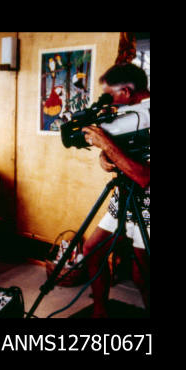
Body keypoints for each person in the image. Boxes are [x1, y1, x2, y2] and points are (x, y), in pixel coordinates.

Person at [81, 63, 150, 318]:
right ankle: (100, 312)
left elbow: (144, 176)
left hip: (148, 202)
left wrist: (106, 143)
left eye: (111, 95)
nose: (108, 101)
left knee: (142, 273)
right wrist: (104, 155)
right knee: (92, 249)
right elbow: (113, 152)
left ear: (127, 91)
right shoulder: (131, 114)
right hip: (124, 195)